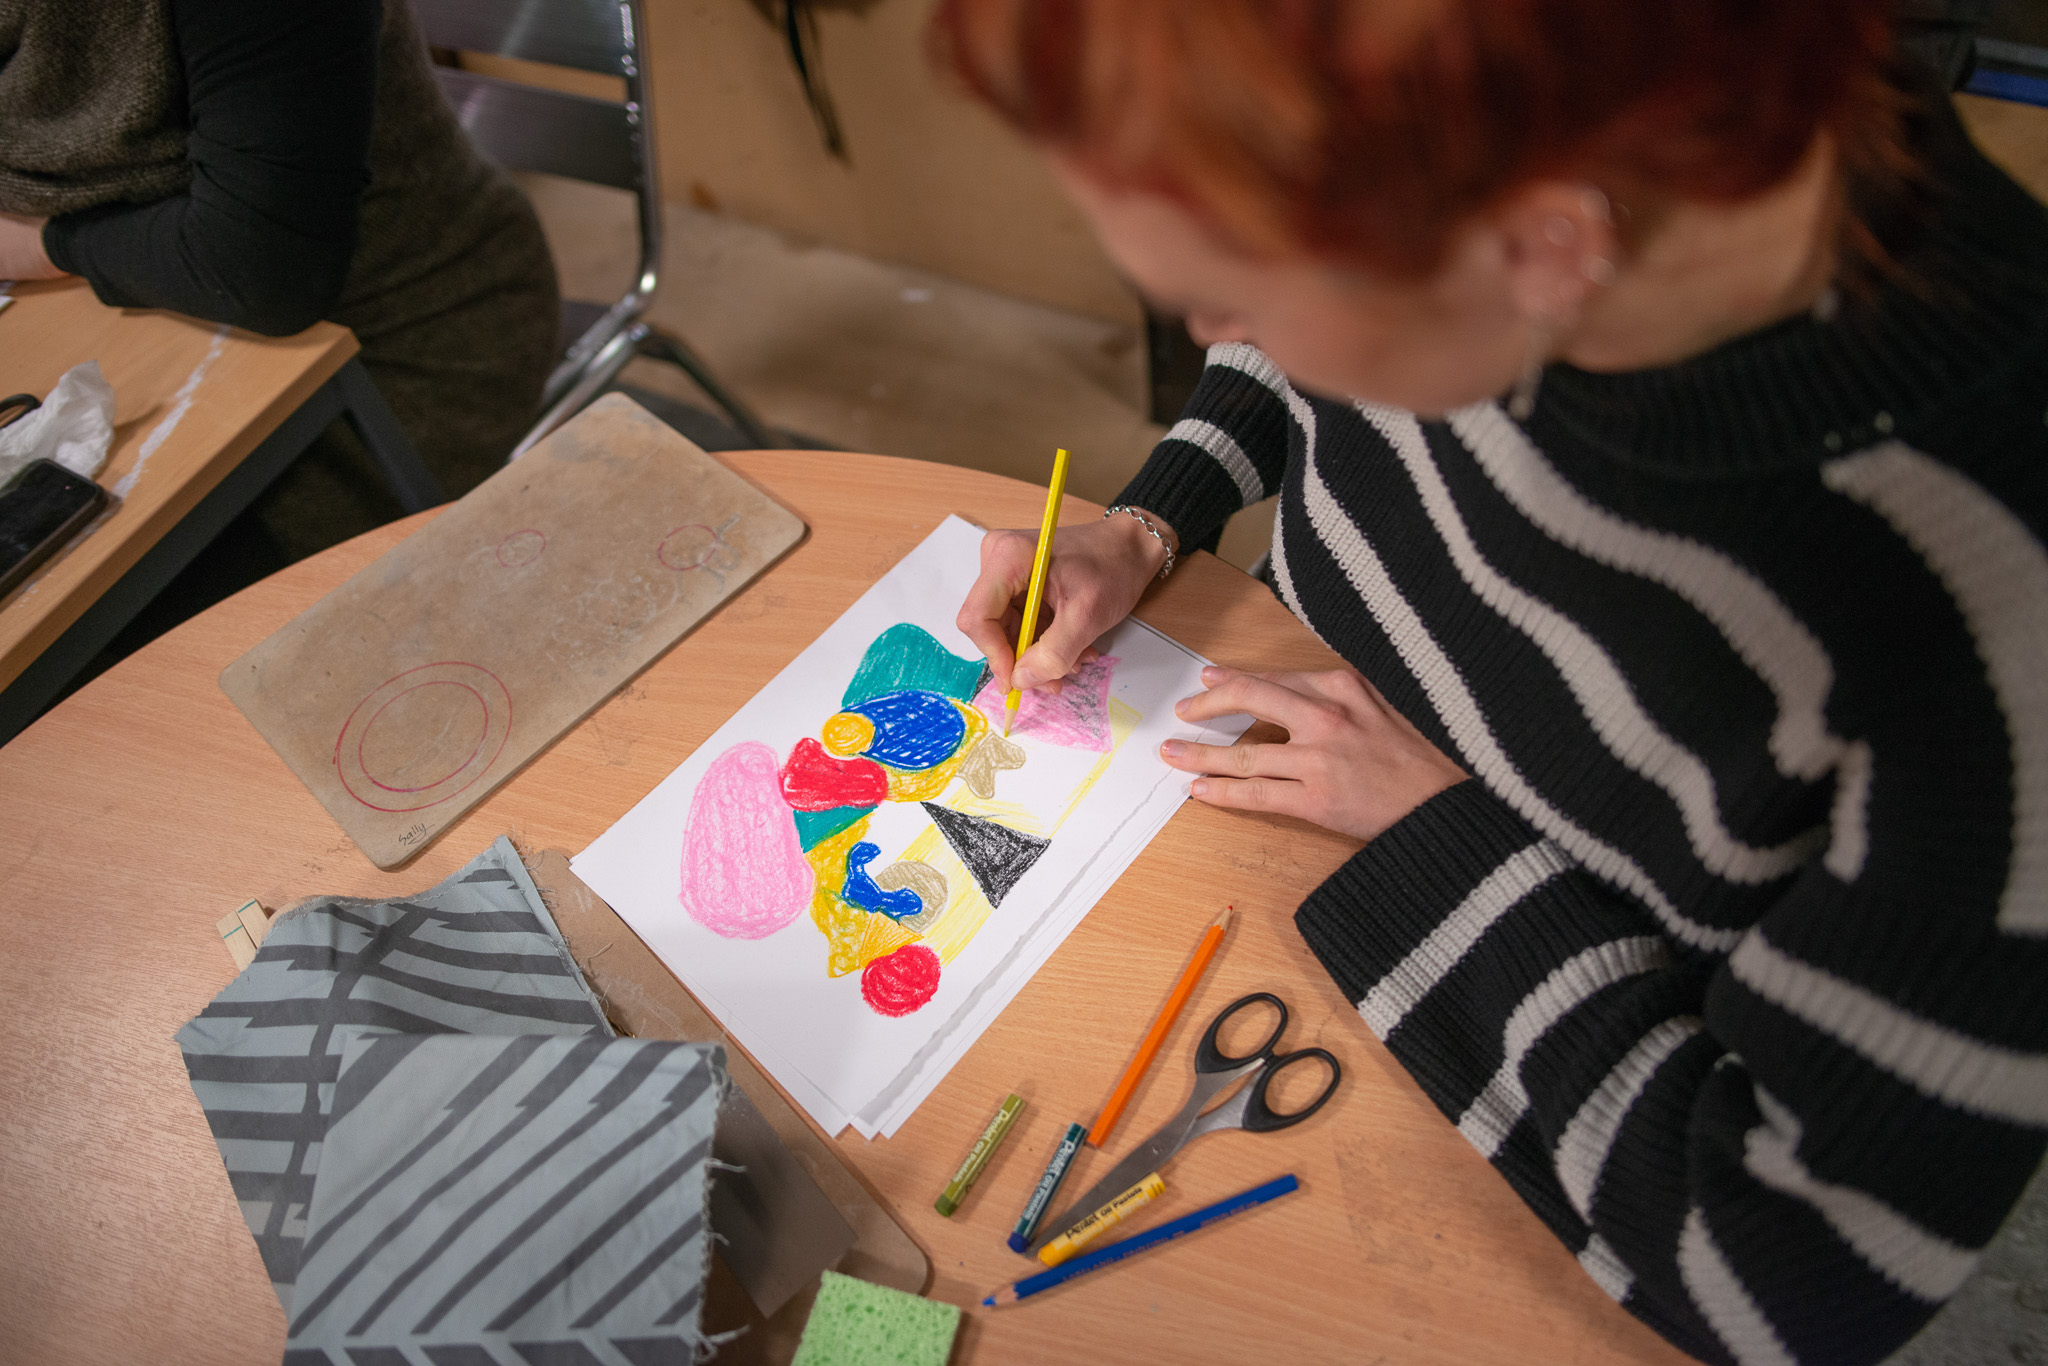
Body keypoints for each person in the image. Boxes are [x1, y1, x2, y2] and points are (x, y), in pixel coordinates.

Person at [931, 2, 2048, 1362]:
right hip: (1263, 814)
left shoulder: (1992, 607)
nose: (1214, 328)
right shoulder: (1514, 176)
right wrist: (1159, 518)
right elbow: (1291, 334)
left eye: (1243, 285)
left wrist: (1430, 837)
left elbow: (1796, 1276)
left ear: (1549, 251)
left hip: (1527, 1091)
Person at [0, 0, 559, 561]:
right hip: (164, 350)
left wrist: (44, 245)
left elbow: (261, 271)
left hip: (405, 350)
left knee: (127, 599)